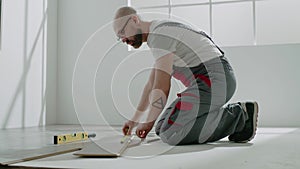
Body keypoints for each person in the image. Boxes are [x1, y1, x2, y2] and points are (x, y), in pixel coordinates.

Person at [113, 6, 259, 145]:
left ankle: (241, 116)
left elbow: (161, 88)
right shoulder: (158, 33)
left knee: (170, 132)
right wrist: (134, 121)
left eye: (122, 32)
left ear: (134, 19)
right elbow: (151, 86)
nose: (124, 39)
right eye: (119, 38)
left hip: (216, 79)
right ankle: (235, 117)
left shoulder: (159, 35)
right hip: (213, 81)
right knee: (161, 128)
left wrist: (148, 122)